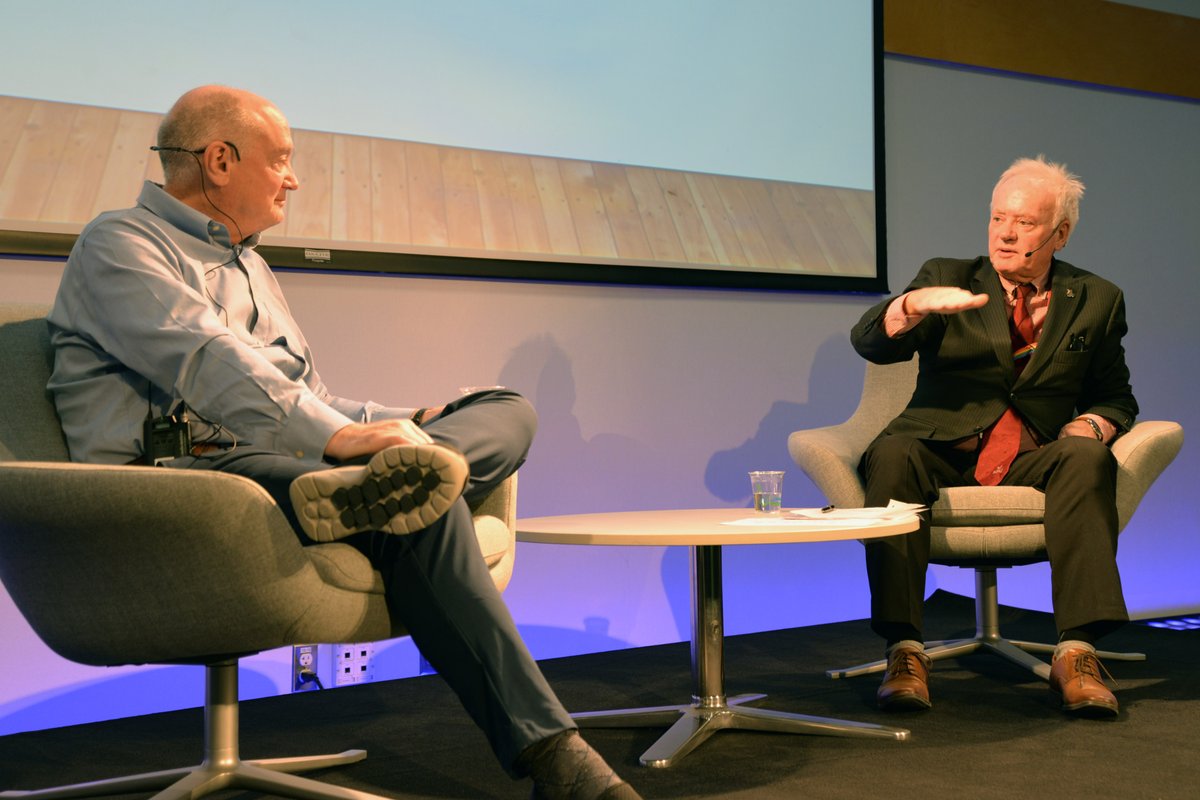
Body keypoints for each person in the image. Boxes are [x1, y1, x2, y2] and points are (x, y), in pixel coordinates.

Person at [46, 85, 641, 800]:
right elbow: (207, 362)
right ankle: (556, 757)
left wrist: (405, 418)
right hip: (182, 478)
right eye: (283, 160)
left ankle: (380, 482)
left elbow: (314, 398)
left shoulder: (251, 266)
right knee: (412, 497)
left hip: (291, 465)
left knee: (503, 411)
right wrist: (342, 440)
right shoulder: (119, 243)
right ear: (221, 161)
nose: (293, 179)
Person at [850, 155, 1137, 718]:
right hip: (940, 448)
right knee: (891, 454)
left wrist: (1091, 424)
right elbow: (870, 342)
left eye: (1024, 223)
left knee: (1085, 457)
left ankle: (1077, 653)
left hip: (1034, 453)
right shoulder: (946, 276)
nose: (1006, 232)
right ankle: (905, 651)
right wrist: (908, 307)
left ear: (1061, 233)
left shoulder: (1097, 298)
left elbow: (1116, 397)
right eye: (997, 217)